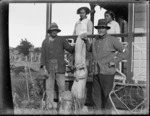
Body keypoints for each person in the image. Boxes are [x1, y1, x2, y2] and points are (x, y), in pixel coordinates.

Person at [83, 19, 128, 114]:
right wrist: (86, 41)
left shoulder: (112, 40)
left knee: (107, 97)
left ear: (106, 29)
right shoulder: (95, 40)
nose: (100, 30)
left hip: (107, 73)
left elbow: (125, 51)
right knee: (96, 97)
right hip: (96, 72)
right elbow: (90, 49)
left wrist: (115, 61)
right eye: (99, 28)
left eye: (102, 28)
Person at [40, 22, 74, 109]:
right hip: (49, 68)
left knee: (61, 86)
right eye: (53, 30)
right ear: (50, 31)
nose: (54, 32)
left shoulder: (61, 40)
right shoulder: (45, 42)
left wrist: (76, 46)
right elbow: (43, 55)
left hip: (60, 67)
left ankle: (62, 105)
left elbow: (70, 49)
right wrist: (44, 68)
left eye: (56, 30)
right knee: (49, 87)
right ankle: (49, 105)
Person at [71, 6, 93, 112]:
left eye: (83, 13)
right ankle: (77, 70)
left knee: (83, 60)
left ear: (86, 13)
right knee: (77, 58)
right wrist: (74, 39)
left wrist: (84, 35)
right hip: (78, 42)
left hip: (85, 41)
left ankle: (82, 71)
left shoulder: (88, 21)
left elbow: (90, 32)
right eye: (80, 13)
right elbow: (74, 32)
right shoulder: (77, 23)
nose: (81, 14)